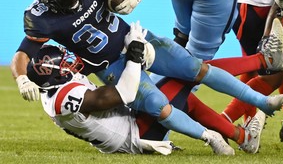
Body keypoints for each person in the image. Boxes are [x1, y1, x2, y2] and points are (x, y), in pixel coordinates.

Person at [10, 0, 283, 155]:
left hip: (137, 38)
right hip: (112, 67)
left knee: (196, 68)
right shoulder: (40, 18)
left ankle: (263, 103)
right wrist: (22, 77)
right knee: (157, 104)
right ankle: (212, 137)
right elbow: (24, 52)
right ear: (47, 1)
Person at [27, 44, 266, 155]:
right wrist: (133, 60)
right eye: (64, 64)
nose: (71, 64)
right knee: (191, 73)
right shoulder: (67, 98)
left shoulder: (54, 90)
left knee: (186, 100)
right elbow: (124, 94)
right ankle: (262, 60)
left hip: (130, 131)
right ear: (54, 75)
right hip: (138, 135)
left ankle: (243, 138)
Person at [219, 0, 283, 143]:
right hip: (254, 11)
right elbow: (279, 1)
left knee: (259, 69)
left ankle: (240, 122)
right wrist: (266, 36)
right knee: (276, 72)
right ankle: (222, 123)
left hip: (249, 7)